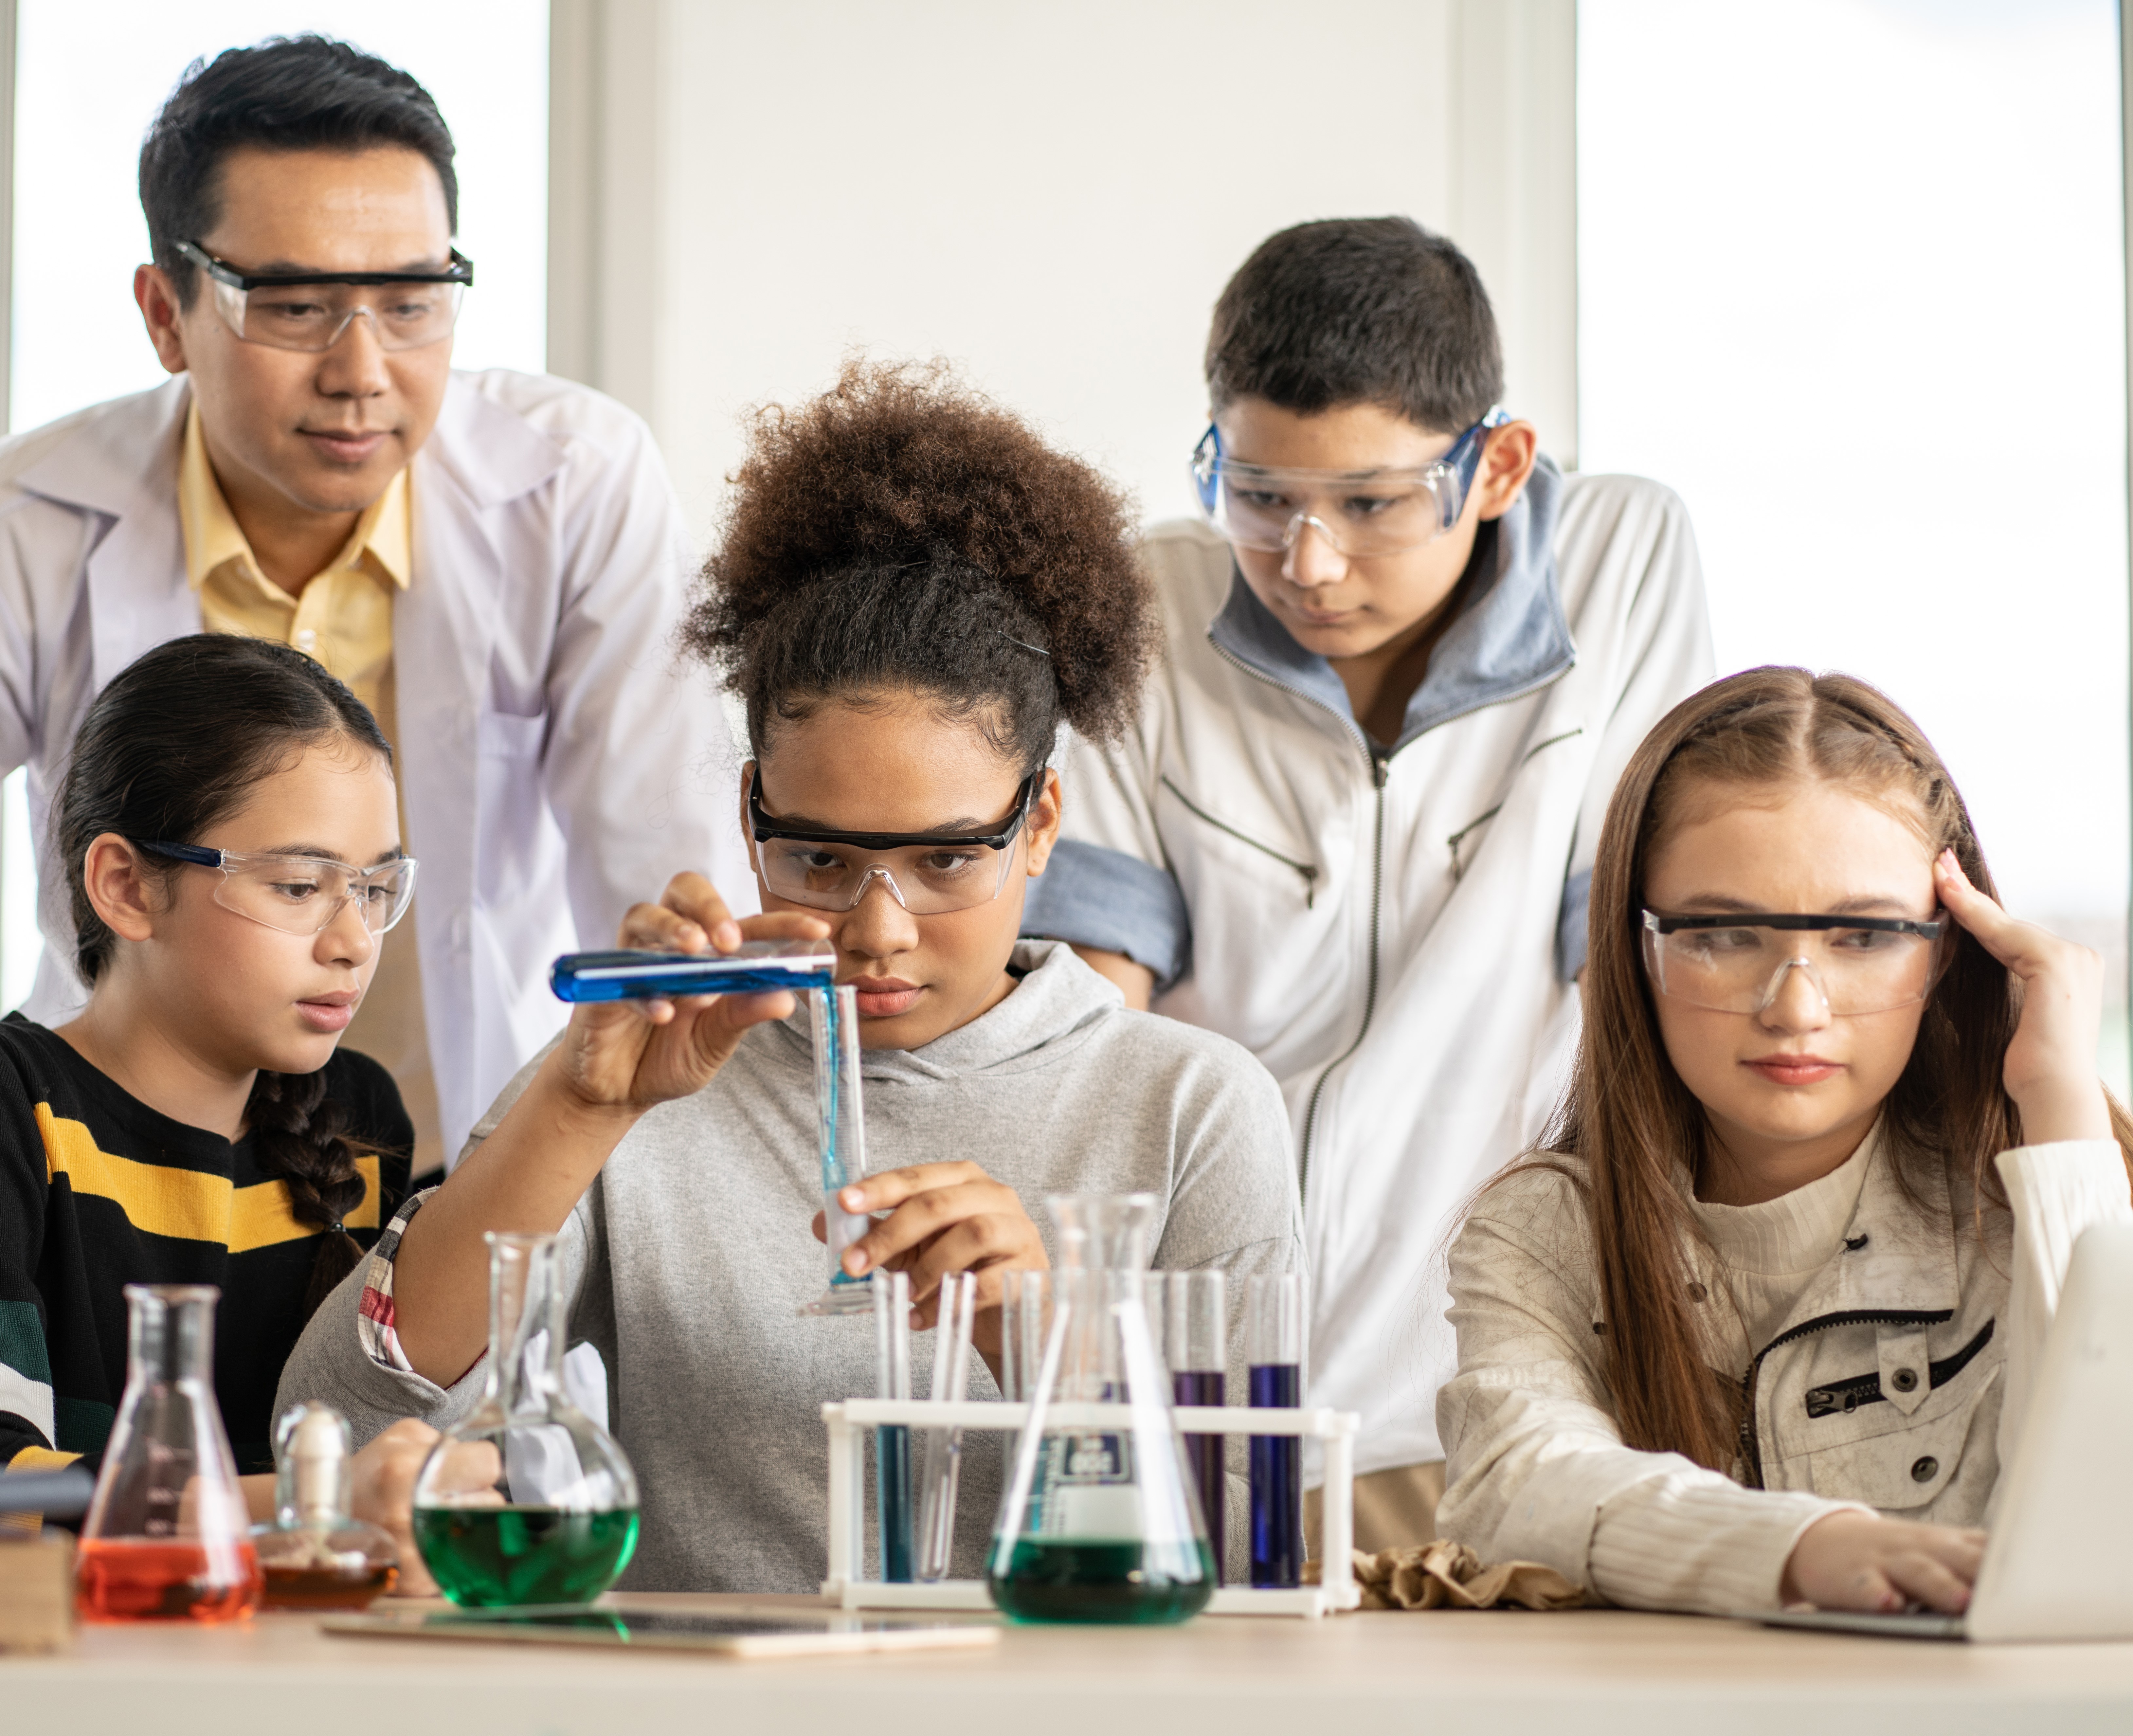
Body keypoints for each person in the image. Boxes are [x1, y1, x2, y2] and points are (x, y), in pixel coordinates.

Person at [278, 361, 1305, 1594]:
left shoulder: (1190, 1106)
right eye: (818, 856)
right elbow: (326, 1433)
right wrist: (581, 1113)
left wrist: (1045, 1343)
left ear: (1041, 827)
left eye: (945, 860)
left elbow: (1265, 1551)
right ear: (750, 809)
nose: (876, 930)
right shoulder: (641, 1080)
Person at [1021, 216, 1714, 1545]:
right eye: (1260, 495)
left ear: (1497, 464)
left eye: (1370, 503)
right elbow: (1092, 1012)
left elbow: (1628, 967)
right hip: (1203, 1388)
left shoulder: (1619, 565)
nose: (1308, 563)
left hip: (1498, 1383)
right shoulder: (1144, 606)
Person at [0, 37, 745, 1177]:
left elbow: (666, 876)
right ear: (165, 313)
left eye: (412, 302)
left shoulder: (575, 483)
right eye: (294, 306)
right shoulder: (33, 514)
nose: (362, 370)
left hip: (462, 1166)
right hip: (117, 1169)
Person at [1436, 667, 2133, 1615]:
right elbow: (1519, 1480)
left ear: (1947, 950)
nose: (1795, 1007)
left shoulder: (2037, 1187)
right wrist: (1806, 1548)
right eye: (1724, 934)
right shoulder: (1544, 1229)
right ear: (1636, 953)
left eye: (1865, 936)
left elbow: (2109, 1520)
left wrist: (2059, 1104)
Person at [0, 634, 465, 1587]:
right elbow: (10, 1497)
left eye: (376, 889)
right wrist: (319, 1502)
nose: (352, 942)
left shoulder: (359, 1118)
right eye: (299, 887)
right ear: (126, 886)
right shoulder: (22, 1111)